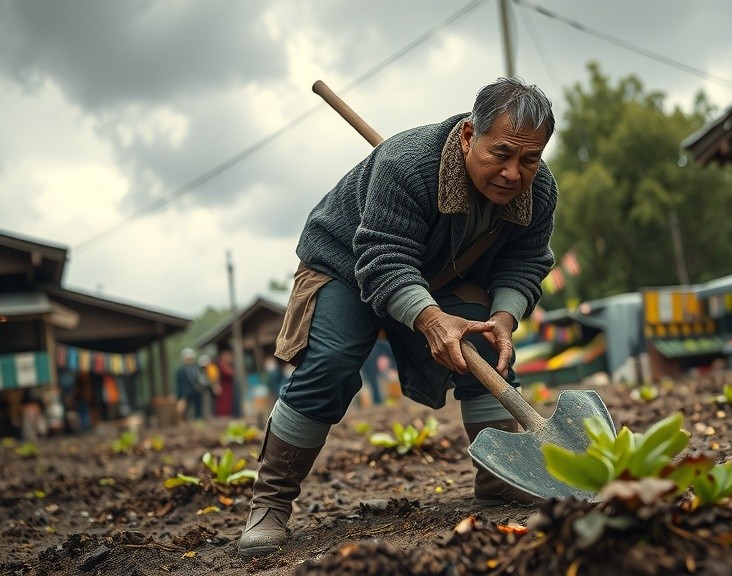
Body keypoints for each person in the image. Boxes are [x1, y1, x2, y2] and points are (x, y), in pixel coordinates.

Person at [239, 77, 557, 558]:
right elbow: (383, 258)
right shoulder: (406, 165)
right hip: (347, 263)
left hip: (439, 272)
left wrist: (504, 319)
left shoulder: (539, 191)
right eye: (501, 154)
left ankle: (498, 479)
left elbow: (526, 261)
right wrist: (430, 319)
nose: (513, 173)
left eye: (529, 159)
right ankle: (270, 503)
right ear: (469, 136)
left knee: (488, 345)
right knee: (332, 363)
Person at [174, 348, 203, 420]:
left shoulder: (196, 368)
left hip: (196, 390)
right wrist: (180, 395)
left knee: (198, 406)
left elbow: (200, 378)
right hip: (186, 392)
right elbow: (179, 383)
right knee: (185, 408)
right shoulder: (181, 370)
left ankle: (198, 418)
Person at [214, 348, 235, 417]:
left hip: (228, 388)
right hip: (223, 388)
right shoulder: (221, 365)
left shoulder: (226, 365)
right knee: (223, 404)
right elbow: (229, 373)